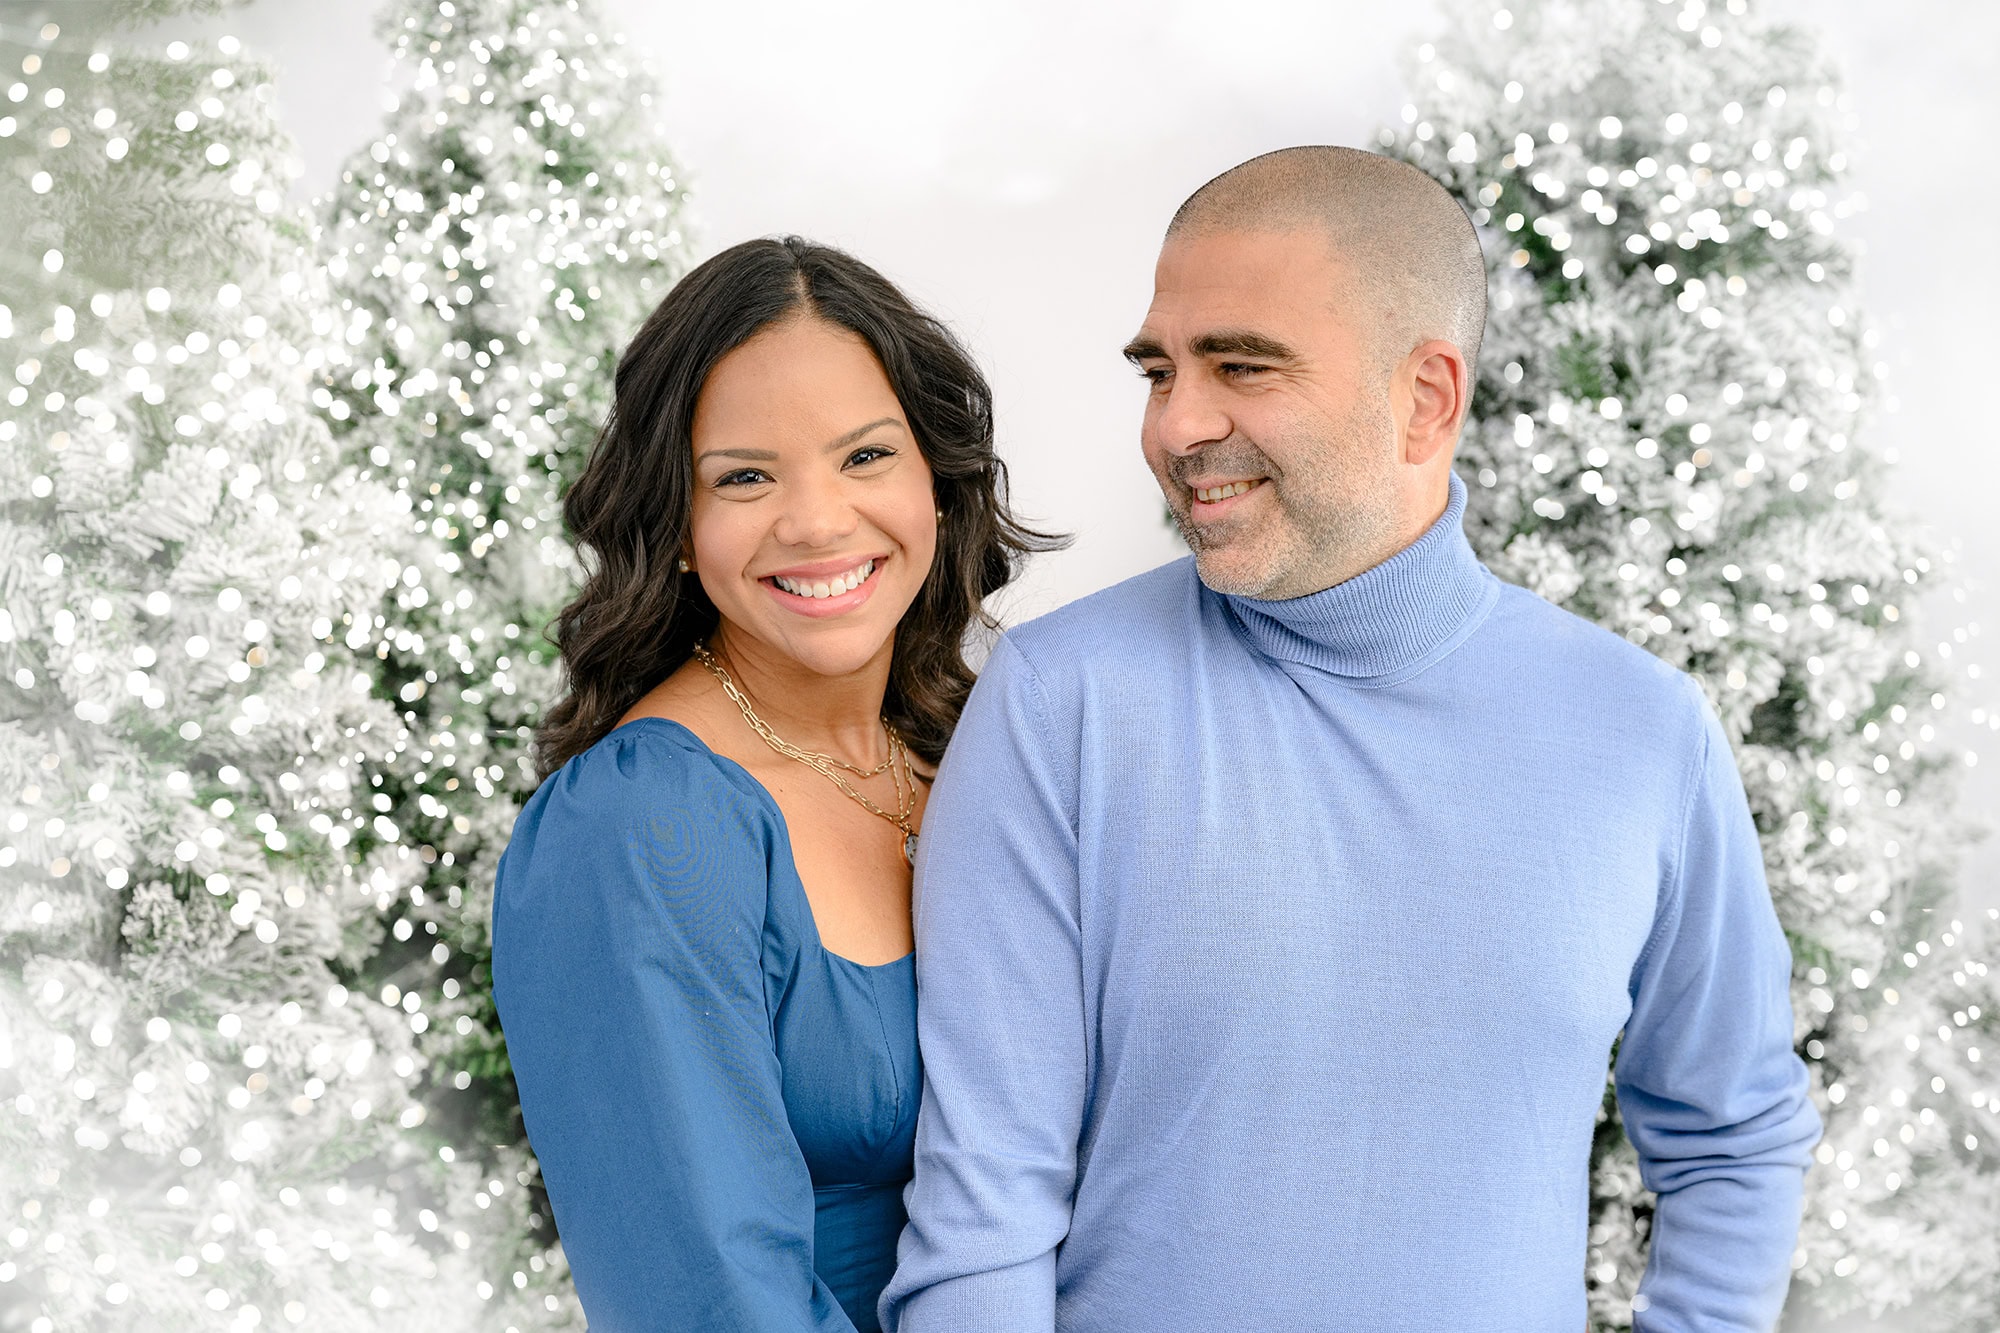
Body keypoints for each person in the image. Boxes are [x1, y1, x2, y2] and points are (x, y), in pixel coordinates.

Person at [882, 147, 1821, 1332]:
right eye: (1159, 370)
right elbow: (982, 1222)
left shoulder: (1640, 732)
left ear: (1424, 396)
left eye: (1241, 366)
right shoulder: (1058, 699)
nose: (1176, 425)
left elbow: (1733, 1135)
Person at [491, 236, 1056, 1332]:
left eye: (863, 457)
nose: (814, 520)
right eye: (744, 476)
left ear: (933, 483)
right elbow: (710, 1298)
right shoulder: (644, 824)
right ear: (680, 527)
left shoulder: (981, 750)